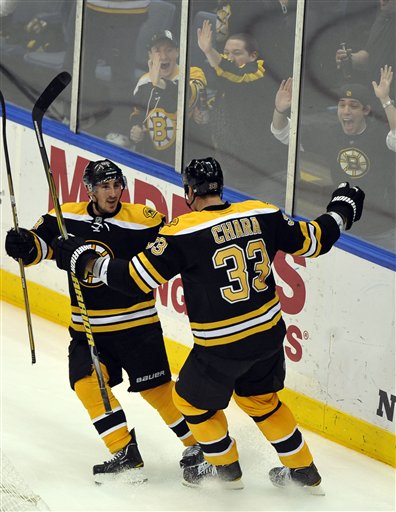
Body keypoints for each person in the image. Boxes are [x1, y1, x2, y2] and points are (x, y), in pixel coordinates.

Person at [52, 157, 365, 491]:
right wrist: (341, 209)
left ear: (189, 191)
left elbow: (133, 279)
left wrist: (84, 260)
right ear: (220, 185)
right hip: (269, 337)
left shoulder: (181, 232)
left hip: (222, 346)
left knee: (189, 402)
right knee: (261, 400)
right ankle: (303, 471)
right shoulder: (262, 212)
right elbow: (316, 239)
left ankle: (224, 469)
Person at [4, 159, 202, 484]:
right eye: (104, 187)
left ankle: (201, 445)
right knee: (86, 383)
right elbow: (40, 245)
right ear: (90, 190)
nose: (112, 193)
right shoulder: (66, 216)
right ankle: (124, 451)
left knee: (158, 392)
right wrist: (24, 244)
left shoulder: (143, 220)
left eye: (116, 185)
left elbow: (172, 247)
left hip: (137, 329)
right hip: (89, 332)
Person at [271, 67, 395, 250]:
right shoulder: (328, 133)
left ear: (366, 110)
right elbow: (283, 134)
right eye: (341, 104)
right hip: (342, 223)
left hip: (383, 231)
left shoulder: (378, 134)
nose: (346, 111)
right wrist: (280, 110)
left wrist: (385, 100)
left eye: (353, 106)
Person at [197, 19, 287, 204]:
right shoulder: (227, 80)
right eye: (226, 53)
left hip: (268, 176)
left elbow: (237, 75)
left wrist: (209, 51)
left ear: (253, 56)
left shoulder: (260, 73)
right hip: (232, 171)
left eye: (236, 53)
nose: (229, 58)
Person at [129, 30, 211, 166]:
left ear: (178, 52)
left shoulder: (193, 73)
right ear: (150, 55)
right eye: (157, 51)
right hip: (151, 156)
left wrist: (161, 83)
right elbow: (136, 112)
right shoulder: (144, 81)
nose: (163, 56)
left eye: (169, 50)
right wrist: (135, 129)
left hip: (186, 158)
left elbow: (190, 95)